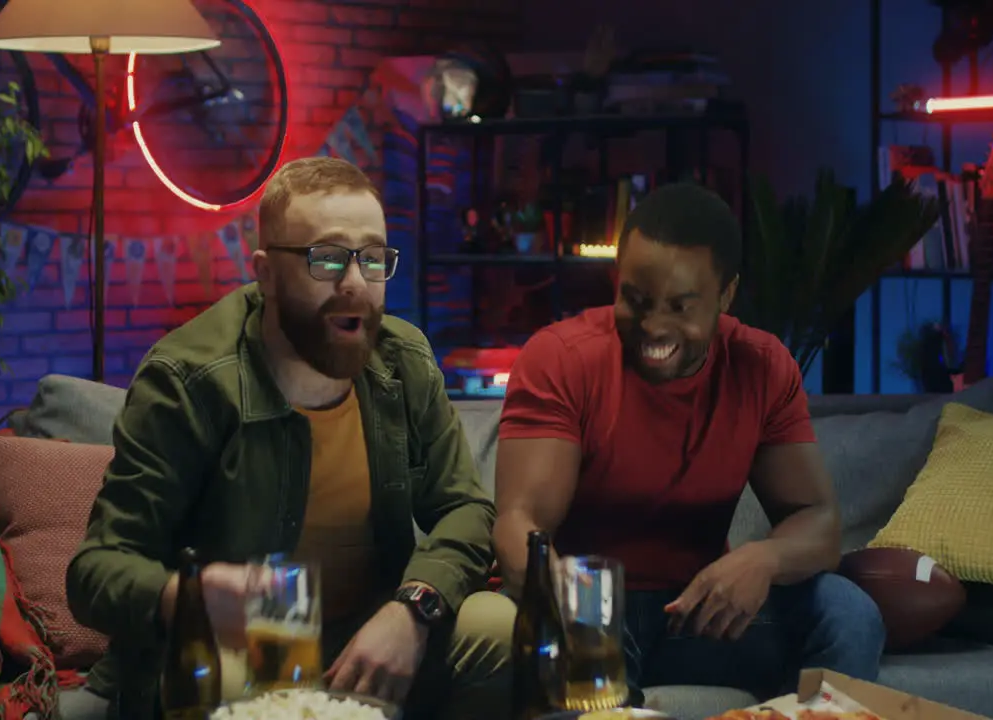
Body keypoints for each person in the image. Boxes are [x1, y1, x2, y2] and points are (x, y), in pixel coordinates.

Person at [67, 157, 513, 720]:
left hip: (367, 642)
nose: (354, 284)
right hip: (232, 660)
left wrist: (412, 609)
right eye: (326, 259)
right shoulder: (187, 381)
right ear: (266, 273)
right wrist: (191, 596)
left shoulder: (402, 360)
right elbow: (96, 570)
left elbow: (467, 509)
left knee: (500, 630)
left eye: (372, 260)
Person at [492, 182, 885, 702]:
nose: (655, 325)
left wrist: (761, 559)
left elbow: (819, 523)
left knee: (850, 615)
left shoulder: (762, 367)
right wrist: (565, 593)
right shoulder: (562, 359)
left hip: (701, 610)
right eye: (636, 300)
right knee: (580, 645)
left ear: (726, 295)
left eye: (680, 307)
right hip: (592, 609)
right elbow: (519, 524)